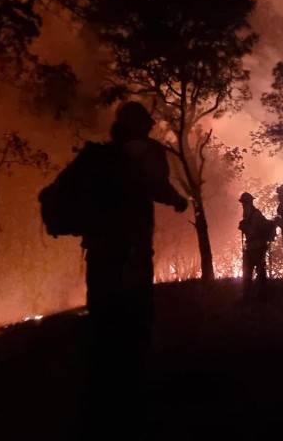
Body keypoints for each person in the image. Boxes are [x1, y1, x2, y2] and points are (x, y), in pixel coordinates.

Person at [80, 101, 188, 436]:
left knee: (103, 317)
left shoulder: (101, 156)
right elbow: (158, 186)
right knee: (136, 315)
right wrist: (179, 200)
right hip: (132, 249)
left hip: (98, 249)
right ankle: (132, 401)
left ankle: (99, 398)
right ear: (142, 125)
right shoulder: (147, 151)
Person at [237, 191, 274, 301]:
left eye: (244, 202)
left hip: (257, 247)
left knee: (258, 272)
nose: (243, 204)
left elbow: (262, 226)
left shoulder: (255, 214)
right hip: (251, 247)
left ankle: (261, 296)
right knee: (249, 272)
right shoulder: (248, 214)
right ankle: (249, 296)